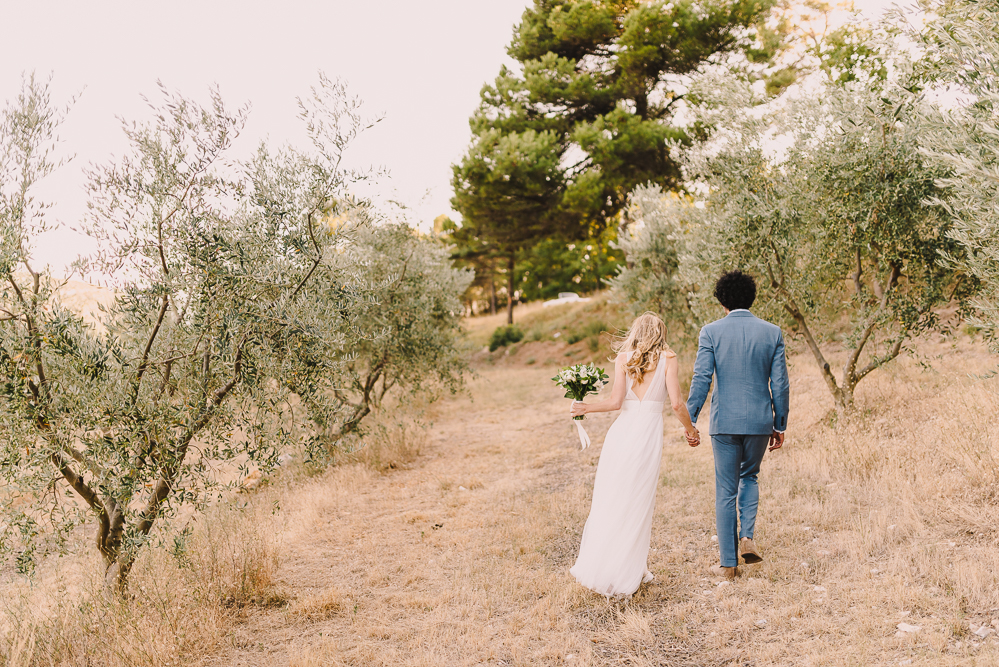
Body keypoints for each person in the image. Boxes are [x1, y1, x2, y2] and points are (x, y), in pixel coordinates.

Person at [568, 312, 699, 598]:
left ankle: (628, 566)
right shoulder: (669, 359)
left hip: (621, 435)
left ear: (636, 332)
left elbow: (616, 402)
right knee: (639, 501)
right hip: (647, 436)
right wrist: (691, 429)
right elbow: (677, 403)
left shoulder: (623, 358)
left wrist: (586, 408)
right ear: (660, 332)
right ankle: (627, 570)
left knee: (613, 499)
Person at [686, 270, 790, 580]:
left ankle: (729, 564)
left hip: (724, 422)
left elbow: (702, 377)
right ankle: (747, 536)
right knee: (750, 476)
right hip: (759, 420)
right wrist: (780, 422)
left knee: (725, 490)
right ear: (751, 298)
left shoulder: (711, 332)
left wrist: (690, 417)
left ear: (722, 300)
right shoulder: (772, 332)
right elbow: (781, 383)